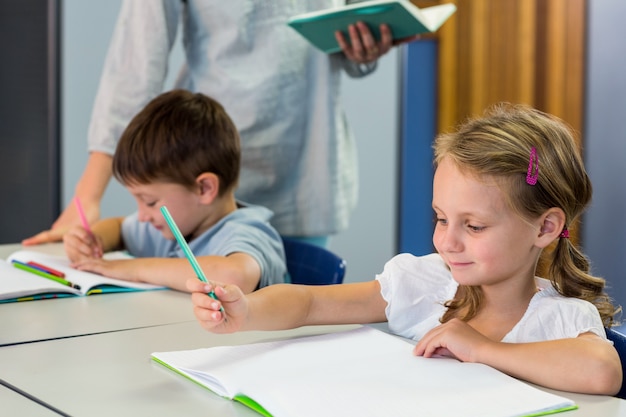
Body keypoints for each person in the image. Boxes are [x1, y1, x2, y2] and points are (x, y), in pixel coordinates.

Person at [187, 103, 623, 395]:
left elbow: (603, 371)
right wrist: (246, 312)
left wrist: (483, 349)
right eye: (441, 218)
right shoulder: (425, 284)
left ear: (545, 227)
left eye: (473, 225)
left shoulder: (561, 319)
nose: (448, 241)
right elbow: (309, 302)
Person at [24, 0, 414, 248]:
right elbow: (134, 67)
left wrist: (364, 47)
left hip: (306, 161)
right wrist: (87, 196)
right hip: (202, 164)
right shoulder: (178, 206)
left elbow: (344, 33)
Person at [63, 90, 286, 293]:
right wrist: (94, 240)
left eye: (149, 202)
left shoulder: (247, 232)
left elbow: (235, 276)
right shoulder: (174, 228)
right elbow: (120, 228)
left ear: (204, 188)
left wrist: (133, 269)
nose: (142, 215)